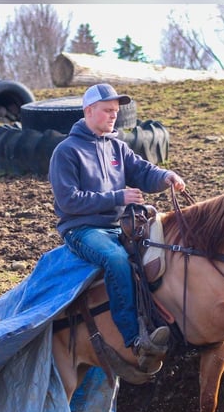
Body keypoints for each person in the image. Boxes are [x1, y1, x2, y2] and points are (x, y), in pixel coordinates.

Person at [48, 83, 185, 369]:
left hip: (119, 226)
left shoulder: (117, 147)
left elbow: (144, 171)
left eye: (115, 111)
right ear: (89, 111)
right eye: (107, 110)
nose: (114, 116)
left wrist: (166, 176)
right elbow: (69, 201)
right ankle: (134, 339)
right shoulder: (66, 151)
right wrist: (118, 196)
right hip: (83, 230)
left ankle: (165, 324)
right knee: (117, 260)